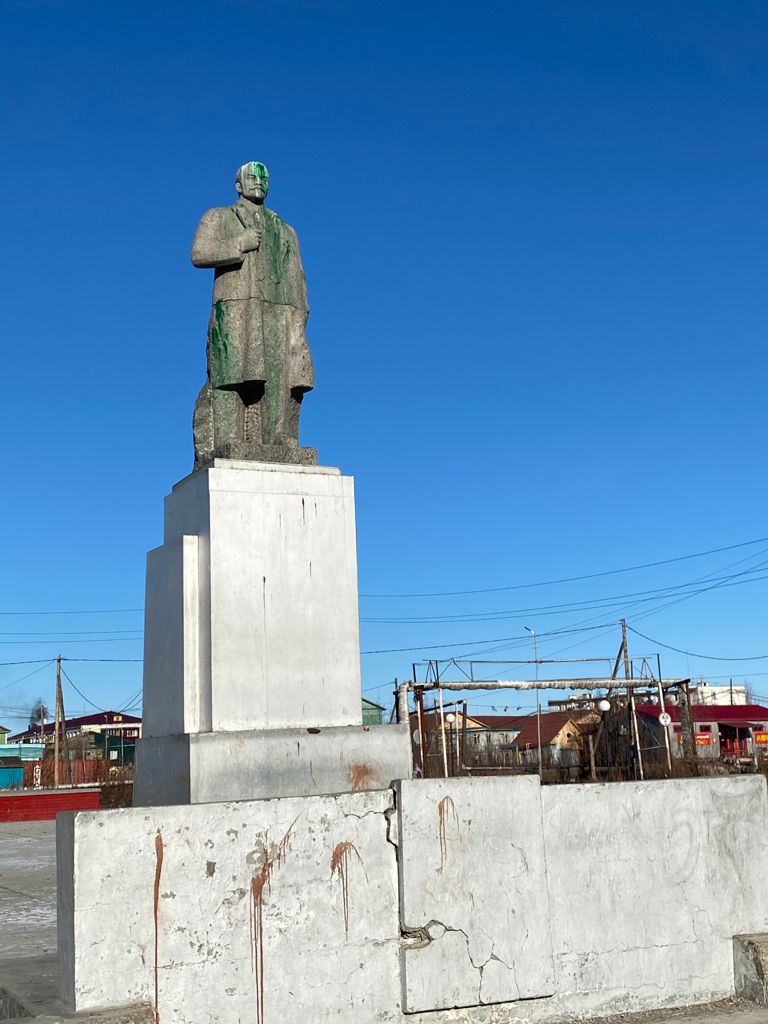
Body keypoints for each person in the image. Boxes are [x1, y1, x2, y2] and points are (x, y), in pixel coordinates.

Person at [191, 161, 314, 465]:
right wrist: (238, 244)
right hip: (235, 304)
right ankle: (227, 440)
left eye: (264, 177)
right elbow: (199, 254)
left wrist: (299, 319)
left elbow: (297, 276)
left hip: (278, 307)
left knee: (278, 376)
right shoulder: (218, 216)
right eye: (252, 177)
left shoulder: (285, 229)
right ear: (238, 185)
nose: (259, 182)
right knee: (230, 375)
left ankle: (279, 438)